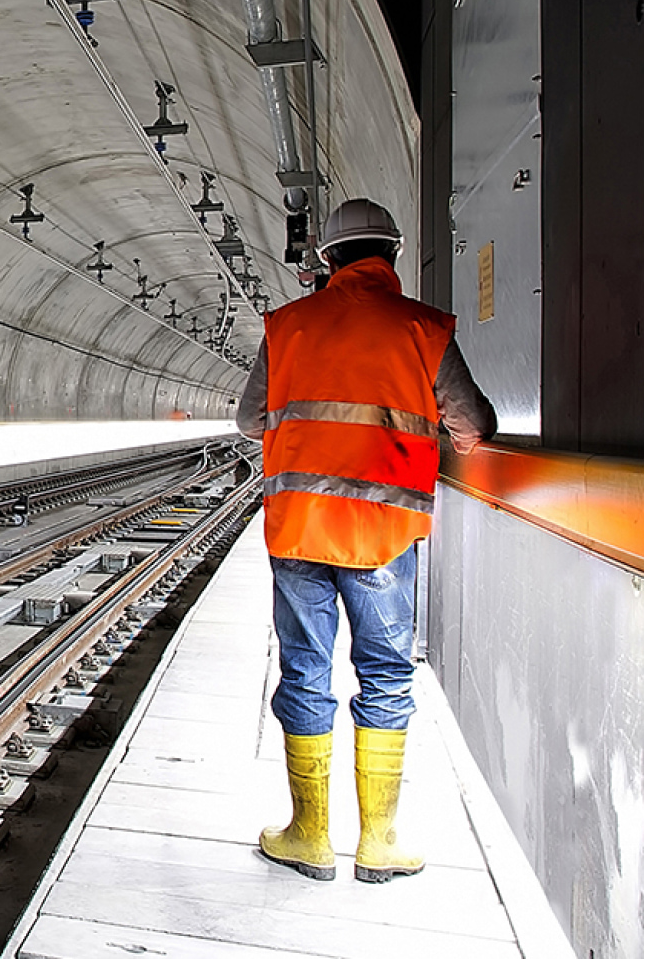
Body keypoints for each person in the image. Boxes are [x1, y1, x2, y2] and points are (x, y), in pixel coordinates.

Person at [236, 198, 496, 884]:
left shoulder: (287, 326)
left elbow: (247, 418)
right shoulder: (423, 328)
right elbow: (472, 425)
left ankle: (308, 834)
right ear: (393, 254)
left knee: (305, 668)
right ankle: (378, 840)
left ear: (327, 259)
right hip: (382, 535)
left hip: (298, 531)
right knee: (384, 672)